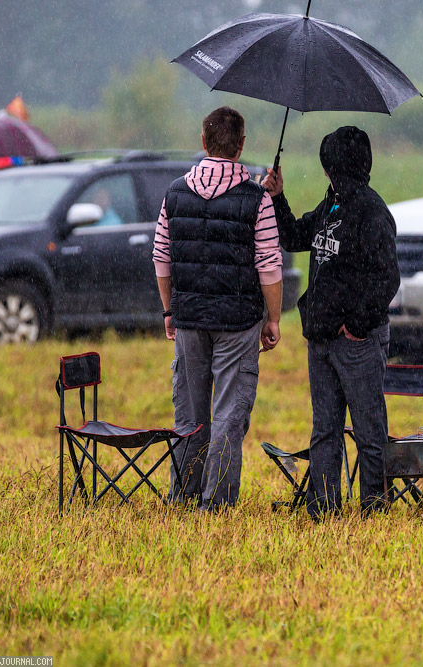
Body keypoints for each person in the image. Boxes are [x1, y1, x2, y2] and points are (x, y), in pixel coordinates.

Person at [262, 126, 400, 520]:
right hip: (319, 337)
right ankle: (322, 508)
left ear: (333, 166)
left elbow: (388, 279)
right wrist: (278, 197)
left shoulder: (372, 212)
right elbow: (293, 236)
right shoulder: (331, 205)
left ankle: (374, 508)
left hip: (356, 341)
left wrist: (356, 325)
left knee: (368, 430)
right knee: (325, 429)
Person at [152, 106, 283, 510]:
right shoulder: (256, 199)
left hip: (189, 318)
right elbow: (269, 265)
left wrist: (170, 310)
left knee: (190, 414)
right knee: (228, 413)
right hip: (238, 320)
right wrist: (273, 318)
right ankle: (217, 503)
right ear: (241, 145)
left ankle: (183, 494)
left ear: (203, 142)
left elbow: (161, 257)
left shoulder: (175, 192)